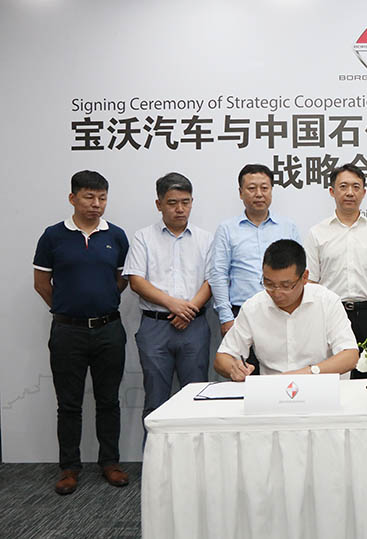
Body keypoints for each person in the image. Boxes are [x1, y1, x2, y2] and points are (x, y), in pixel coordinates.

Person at [33, 170, 130, 495]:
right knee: (69, 404)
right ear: (72, 198)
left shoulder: (116, 236)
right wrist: (68, 308)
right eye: (89, 197)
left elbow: (121, 280)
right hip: (67, 331)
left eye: (102, 197)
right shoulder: (53, 236)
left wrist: (99, 302)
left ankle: (110, 463)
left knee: (109, 401)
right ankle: (69, 468)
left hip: (108, 329)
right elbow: (41, 284)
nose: (96, 204)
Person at [123, 172, 212, 429]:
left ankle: (195, 455)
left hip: (194, 326)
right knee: (155, 401)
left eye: (185, 202)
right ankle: (153, 456)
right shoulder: (143, 237)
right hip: (155, 327)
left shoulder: (205, 239)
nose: (180, 209)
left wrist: (189, 311)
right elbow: (136, 281)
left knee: (197, 400)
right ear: (159, 204)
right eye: (172, 203)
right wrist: (174, 305)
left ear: (192, 202)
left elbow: (212, 281)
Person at [304, 164, 367, 378]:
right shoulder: (317, 233)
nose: (350, 192)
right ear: (332, 191)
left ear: (364, 192)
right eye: (343, 186)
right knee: (333, 377)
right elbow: (311, 283)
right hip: (332, 314)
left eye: (356, 187)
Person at [214, 240, 358, 380]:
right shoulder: (253, 307)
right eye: (269, 284)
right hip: (273, 390)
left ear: (305, 277)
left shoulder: (327, 302)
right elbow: (222, 358)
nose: (277, 293)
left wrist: (310, 372)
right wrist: (234, 369)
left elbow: (350, 355)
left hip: (321, 386)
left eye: (286, 286)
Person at [208, 164, 301, 373]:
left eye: (264, 188)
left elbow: (298, 271)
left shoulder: (288, 227)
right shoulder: (227, 229)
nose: (259, 194)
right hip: (241, 315)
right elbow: (218, 274)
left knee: (282, 375)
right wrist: (226, 317)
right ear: (241, 192)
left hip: (282, 312)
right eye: (251, 188)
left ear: (271, 190)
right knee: (244, 376)